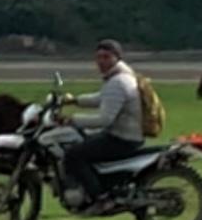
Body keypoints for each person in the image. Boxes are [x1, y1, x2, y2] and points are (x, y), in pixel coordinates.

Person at [61, 39, 144, 206]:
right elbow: (102, 98)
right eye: (98, 57)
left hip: (122, 138)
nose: (101, 62)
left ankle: (99, 197)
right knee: (84, 141)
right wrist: (74, 100)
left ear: (117, 58)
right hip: (125, 134)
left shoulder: (118, 82)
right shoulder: (120, 77)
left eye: (106, 57)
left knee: (73, 154)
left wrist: (71, 120)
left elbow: (104, 120)